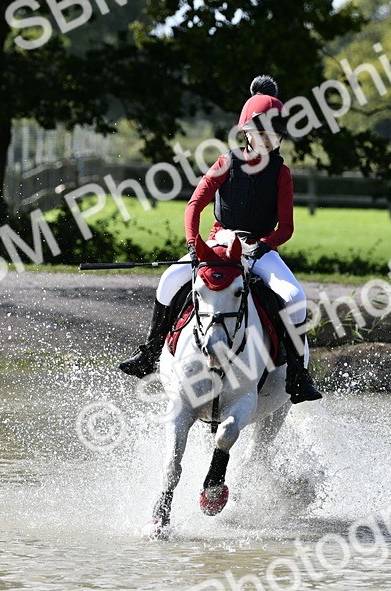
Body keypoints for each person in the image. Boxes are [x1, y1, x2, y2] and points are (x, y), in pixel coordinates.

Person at [118, 75, 322, 404]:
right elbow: (195, 204)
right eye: (263, 132)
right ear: (247, 132)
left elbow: (286, 228)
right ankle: (149, 353)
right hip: (219, 244)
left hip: (258, 249)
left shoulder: (282, 174)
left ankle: (298, 375)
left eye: (275, 133)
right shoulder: (226, 163)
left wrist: (264, 245)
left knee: (295, 297)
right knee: (169, 280)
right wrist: (192, 244)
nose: (269, 140)